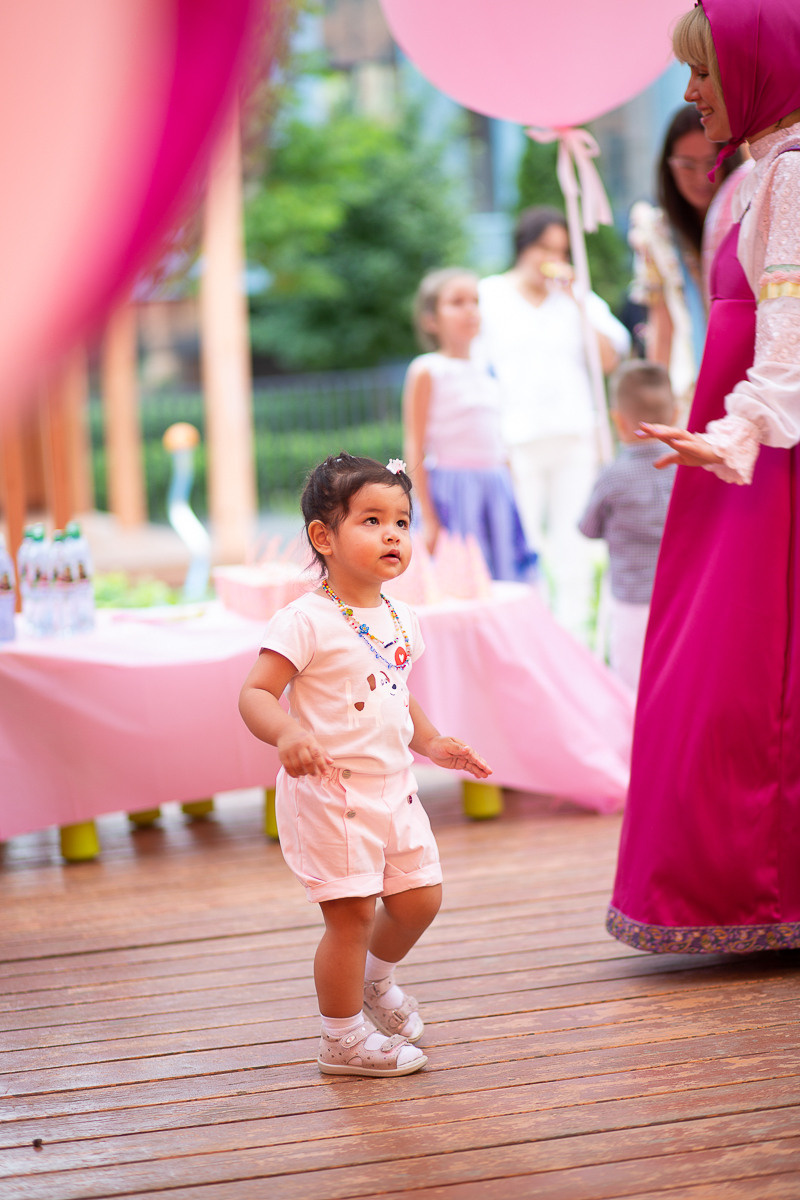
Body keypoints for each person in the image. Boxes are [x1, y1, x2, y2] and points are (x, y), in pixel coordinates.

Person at [607, 0, 800, 955]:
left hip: (766, 465)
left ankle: (757, 888)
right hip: (739, 450)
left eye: (707, 73)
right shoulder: (766, 173)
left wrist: (738, 434)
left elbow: (789, 336)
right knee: (717, 665)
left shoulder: (795, 175)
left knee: (745, 672)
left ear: (760, 73)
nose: (690, 93)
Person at [239, 453, 491, 1076]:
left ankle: (375, 982)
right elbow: (255, 694)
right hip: (330, 793)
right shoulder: (304, 619)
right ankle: (342, 1037)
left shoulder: (402, 616)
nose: (392, 536)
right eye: (372, 520)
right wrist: (288, 733)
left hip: (394, 788)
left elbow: (397, 688)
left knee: (420, 899)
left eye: (401, 523)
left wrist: (431, 742)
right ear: (323, 537)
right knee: (350, 915)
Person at [476, 207, 631, 638]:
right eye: (544, 248)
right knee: (525, 544)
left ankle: (576, 637)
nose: (551, 259)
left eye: (560, 251)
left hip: (573, 434)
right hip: (516, 438)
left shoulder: (576, 297)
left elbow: (608, 359)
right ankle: (533, 637)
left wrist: (579, 302)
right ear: (524, 248)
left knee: (574, 545)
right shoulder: (490, 295)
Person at [402, 267, 536, 581]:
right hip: (455, 491)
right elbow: (414, 442)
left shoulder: (488, 367)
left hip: (496, 486)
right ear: (430, 319)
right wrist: (429, 517)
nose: (469, 310)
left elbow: (497, 437)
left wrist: (511, 488)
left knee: (502, 574)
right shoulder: (428, 370)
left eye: (474, 301)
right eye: (456, 302)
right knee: (463, 579)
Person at [628, 106, 746, 414]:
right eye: (686, 165)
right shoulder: (655, 231)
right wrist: (655, 410)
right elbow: (661, 325)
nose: (700, 177)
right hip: (691, 390)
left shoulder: (750, 217)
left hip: (749, 383)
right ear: (668, 167)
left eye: (711, 163)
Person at [578, 361, 677, 691]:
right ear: (675, 414)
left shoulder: (612, 476)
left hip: (631, 601)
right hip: (679, 597)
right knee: (674, 678)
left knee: (631, 686)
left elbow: (588, 527)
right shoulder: (686, 472)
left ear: (617, 420)